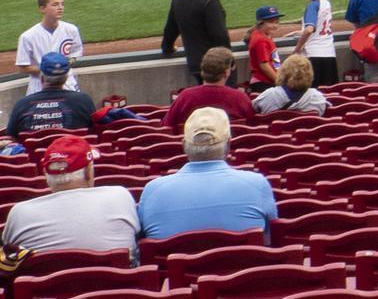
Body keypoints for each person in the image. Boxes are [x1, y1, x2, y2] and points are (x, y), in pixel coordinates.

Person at [137, 109, 276, 239]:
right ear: (228, 144)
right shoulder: (257, 184)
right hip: (244, 265)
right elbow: (270, 238)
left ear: (184, 145)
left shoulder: (152, 191)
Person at [0, 135, 137, 262]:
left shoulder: (20, 213)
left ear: (45, 175)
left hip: (48, 288)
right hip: (119, 288)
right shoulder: (120, 196)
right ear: (89, 172)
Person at [161, 0, 228, 86]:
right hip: (215, 66)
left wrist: (167, 48)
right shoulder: (210, 1)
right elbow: (219, 35)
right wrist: (229, 62)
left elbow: (171, 28)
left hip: (195, 64)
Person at [7, 55, 96, 142]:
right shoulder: (83, 100)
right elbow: (95, 132)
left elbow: (11, 138)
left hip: (35, 156)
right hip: (73, 156)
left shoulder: (22, 104)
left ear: (42, 78)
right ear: (65, 78)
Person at [165, 49, 254, 134]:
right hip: (232, 148)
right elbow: (251, 128)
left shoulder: (185, 96)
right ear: (226, 72)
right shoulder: (240, 97)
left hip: (191, 149)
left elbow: (167, 127)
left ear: (202, 70)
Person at [17, 0, 82, 96]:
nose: (60, 7)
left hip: (68, 85)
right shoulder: (28, 36)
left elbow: (75, 55)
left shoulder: (71, 30)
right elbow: (22, 66)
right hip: (39, 88)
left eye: (62, 4)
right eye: (55, 4)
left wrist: (64, 65)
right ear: (42, 9)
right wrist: (49, 70)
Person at [288, 0, 338, 87]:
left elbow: (309, 29)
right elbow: (320, 27)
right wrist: (300, 32)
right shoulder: (327, 4)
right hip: (330, 55)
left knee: (312, 95)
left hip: (313, 57)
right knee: (330, 94)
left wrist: (297, 49)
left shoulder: (312, 5)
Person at [252, 55, 328, 116]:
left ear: (283, 73)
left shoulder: (269, 95)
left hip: (277, 134)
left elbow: (253, 111)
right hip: (307, 135)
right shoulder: (317, 98)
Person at [243, 8, 282, 93]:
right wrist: (279, 81)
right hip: (264, 83)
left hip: (267, 81)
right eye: (271, 22)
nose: (275, 25)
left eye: (276, 22)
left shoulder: (264, 35)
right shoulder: (261, 40)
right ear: (261, 23)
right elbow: (264, 65)